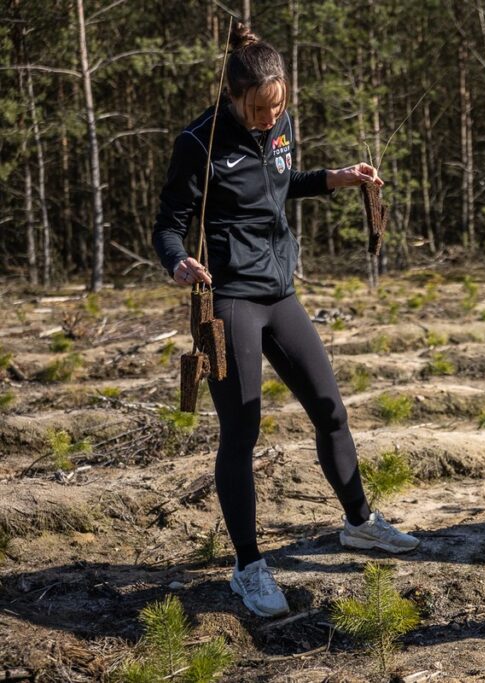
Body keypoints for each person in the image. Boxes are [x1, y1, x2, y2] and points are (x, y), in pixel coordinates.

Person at [152, 24, 418, 619]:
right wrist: (177, 262)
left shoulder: (280, 125)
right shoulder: (199, 141)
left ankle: (360, 523)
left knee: (330, 409)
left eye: (278, 106)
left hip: (281, 292)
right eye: (259, 109)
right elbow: (167, 223)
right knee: (241, 433)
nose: (270, 118)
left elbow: (278, 185)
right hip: (229, 302)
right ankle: (248, 568)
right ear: (233, 94)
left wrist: (336, 179)